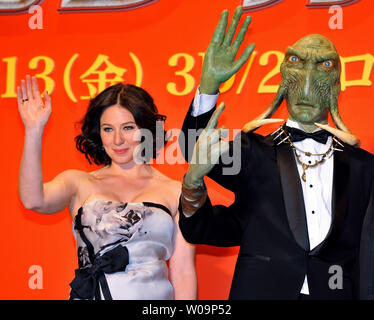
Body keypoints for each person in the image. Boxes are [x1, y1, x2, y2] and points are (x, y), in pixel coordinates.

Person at [178, 6, 374, 300]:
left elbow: (367, 248)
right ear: (283, 83)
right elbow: (197, 148)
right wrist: (209, 86)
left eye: (321, 68)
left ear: (336, 86)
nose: (306, 88)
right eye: (298, 68)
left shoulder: (364, 167)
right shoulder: (253, 152)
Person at [17, 75, 197, 300]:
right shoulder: (79, 183)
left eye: (128, 127)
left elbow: (183, 272)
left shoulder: (176, 192)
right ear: (98, 133)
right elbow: (33, 200)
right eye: (108, 129)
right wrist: (33, 131)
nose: (118, 140)